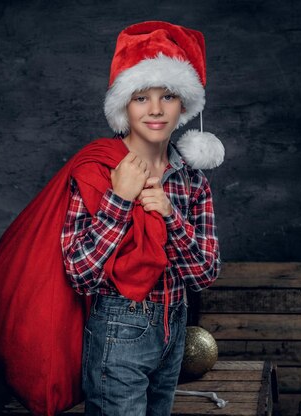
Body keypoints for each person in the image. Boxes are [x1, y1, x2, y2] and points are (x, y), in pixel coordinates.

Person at [61, 21, 223, 416]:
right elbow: (79, 274)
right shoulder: (97, 170)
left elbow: (204, 274)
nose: (155, 109)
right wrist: (119, 199)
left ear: (184, 105)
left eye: (167, 96)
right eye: (140, 97)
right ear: (123, 107)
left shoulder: (191, 179)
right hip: (119, 327)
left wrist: (170, 216)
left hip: (174, 325)